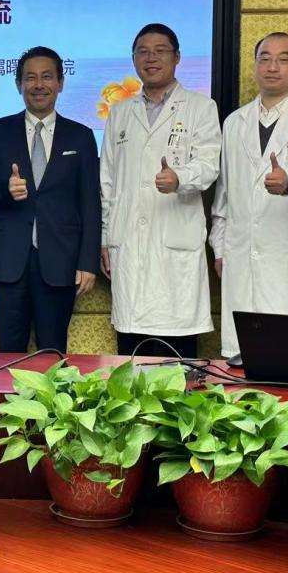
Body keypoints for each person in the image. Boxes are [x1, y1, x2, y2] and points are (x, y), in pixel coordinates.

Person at [210, 33, 288, 362]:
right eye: (264, 59)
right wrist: (220, 246)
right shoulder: (234, 122)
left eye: (283, 59)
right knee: (242, 357)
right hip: (240, 253)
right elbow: (225, 191)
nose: (272, 67)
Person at [100, 23, 221, 360]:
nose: (151, 58)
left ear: (177, 57)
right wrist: (106, 237)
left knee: (176, 357)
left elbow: (209, 164)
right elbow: (107, 180)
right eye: (143, 51)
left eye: (160, 51)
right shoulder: (120, 112)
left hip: (174, 245)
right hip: (128, 243)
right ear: (134, 59)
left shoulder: (201, 107)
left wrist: (180, 178)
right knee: (132, 355)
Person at [0, 46, 100, 354]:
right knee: (9, 352)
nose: (38, 85)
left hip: (61, 261)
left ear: (60, 83)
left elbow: (90, 203)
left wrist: (87, 262)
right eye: (30, 78)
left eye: (47, 77)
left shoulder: (81, 136)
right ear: (19, 84)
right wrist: (6, 190)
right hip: (10, 261)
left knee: (53, 352)